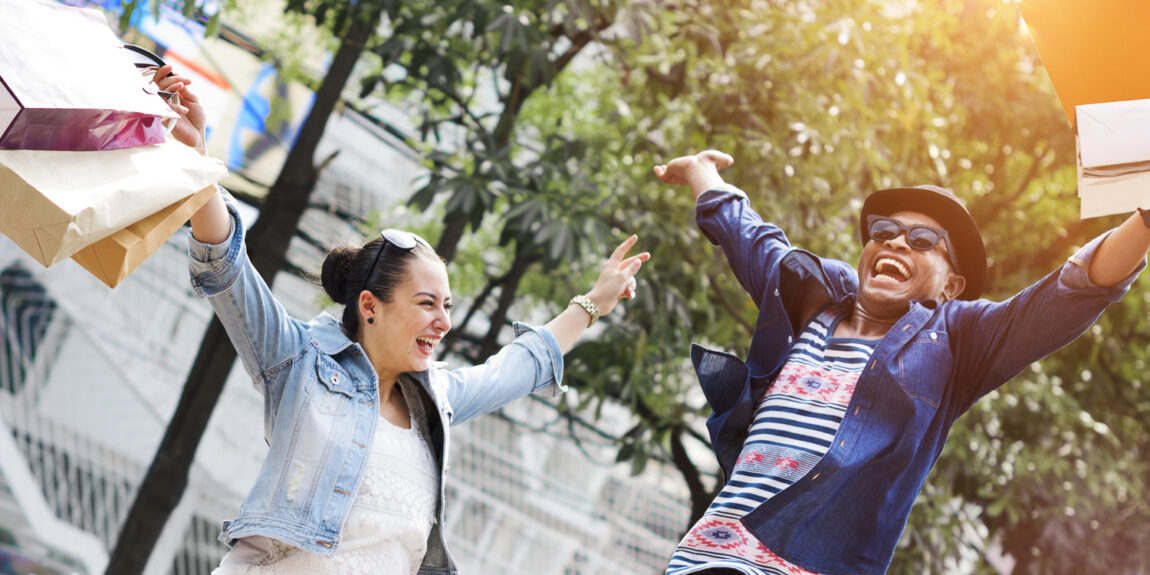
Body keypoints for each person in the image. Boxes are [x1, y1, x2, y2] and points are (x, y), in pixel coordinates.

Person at [153, 66, 650, 574]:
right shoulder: (299, 362)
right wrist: (198, 160)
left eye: (448, 307)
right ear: (370, 306)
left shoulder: (438, 401)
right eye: (427, 303)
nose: (443, 323)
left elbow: (519, 367)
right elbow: (229, 271)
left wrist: (593, 303)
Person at [652, 150, 1150, 575]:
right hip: (707, 556)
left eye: (923, 241)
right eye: (885, 230)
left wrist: (1145, 217)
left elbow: (1070, 292)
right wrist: (700, 172)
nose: (894, 242)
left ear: (950, 286)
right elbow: (749, 236)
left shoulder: (957, 341)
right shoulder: (808, 297)